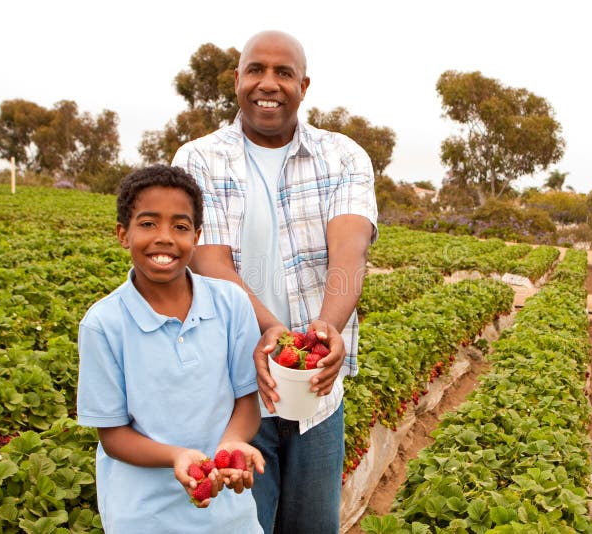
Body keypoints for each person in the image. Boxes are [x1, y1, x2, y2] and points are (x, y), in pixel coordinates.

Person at [172, 30, 377, 533]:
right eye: (256, 70)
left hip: (317, 394)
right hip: (235, 390)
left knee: (311, 526)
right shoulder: (198, 159)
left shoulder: (343, 157)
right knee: (244, 525)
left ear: (303, 86)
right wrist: (272, 331)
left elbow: (349, 252)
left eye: (283, 73)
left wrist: (324, 330)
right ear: (237, 79)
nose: (269, 83)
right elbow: (210, 261)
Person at [76, 165, 265, 533]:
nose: (164, 238)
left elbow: (246, 401)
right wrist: (177, 456)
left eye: (180, 227)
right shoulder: (104, 324)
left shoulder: (231, 303)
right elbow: (113, 435)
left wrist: (231, 446)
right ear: (122, 234)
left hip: (227, 513)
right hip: (145, 516)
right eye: (148, 224)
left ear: (196, 236)